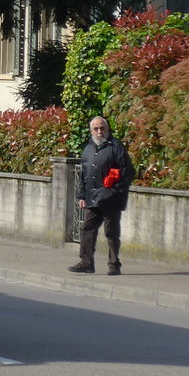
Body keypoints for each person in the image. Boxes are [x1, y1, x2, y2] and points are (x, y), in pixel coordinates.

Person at [69, 116, 135, 276]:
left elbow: (128, 172)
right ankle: (86, 263)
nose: (100, 132)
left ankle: (114, 265)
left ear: (107, 128)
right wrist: (81, 196)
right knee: (87, 229)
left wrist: (115, 191)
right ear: (91, 130)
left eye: (102, 128)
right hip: (92, 198)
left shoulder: (116, 146)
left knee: (111, 233)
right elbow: (84, 175)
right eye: (96, 129)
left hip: (110, 199)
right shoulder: (89, 148)